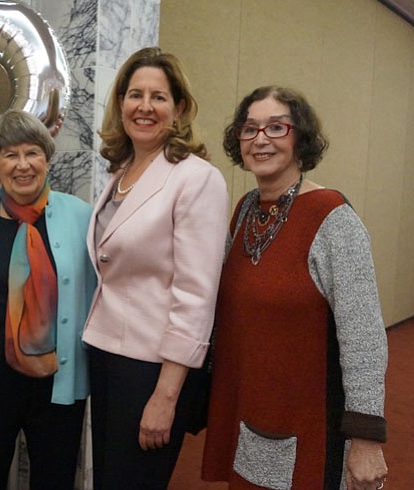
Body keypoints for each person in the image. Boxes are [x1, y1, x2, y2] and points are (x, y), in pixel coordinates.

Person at [201, 86, 389, 490]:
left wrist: (367, 436)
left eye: (276, 127)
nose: (261, 138)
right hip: (250, 409)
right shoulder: (247, 208)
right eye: (249, 129)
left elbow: (364, 338)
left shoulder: (332, 217)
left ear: (300, 137)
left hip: (309, 423)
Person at [82, 47, 229, 489]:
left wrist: (166, 396)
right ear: (121, 103)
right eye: (135, 95)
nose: (145, 107)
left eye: (159, 97)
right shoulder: (123, 171)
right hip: (107, 354)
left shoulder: (197, 178)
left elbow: (196, 296)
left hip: (153, 368)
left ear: (179, 108)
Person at [0, 109, 96, 490]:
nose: (22, 165)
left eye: (32, 153)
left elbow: (102, 292)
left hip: (57, 381)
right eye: (10, 155)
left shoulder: (82, 217)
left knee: (55, 480)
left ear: (47, 159)